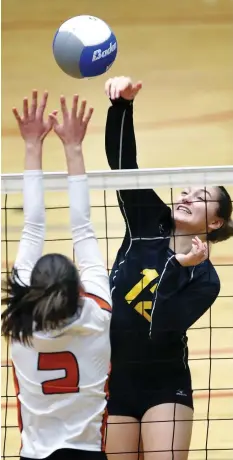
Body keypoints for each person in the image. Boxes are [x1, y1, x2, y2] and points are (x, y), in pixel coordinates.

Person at [103, 76, 233, 460]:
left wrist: (177, 267)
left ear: (214, 224)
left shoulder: (206, 279)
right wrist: (122, 107)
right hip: (115, 379)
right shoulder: (146, 222)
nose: (187, 196)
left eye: (202, 196)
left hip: (165, 384)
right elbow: (124, 166)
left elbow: (161, 329)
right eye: (186, 190)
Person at [1, 91, 112, 460]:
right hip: (87, 454)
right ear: (79, 290)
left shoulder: (18, 325)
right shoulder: (97, 314)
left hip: (34, 456)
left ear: (31, 291)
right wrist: (74, 148)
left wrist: (32, 144)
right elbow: (84, 228)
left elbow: (32, 227)